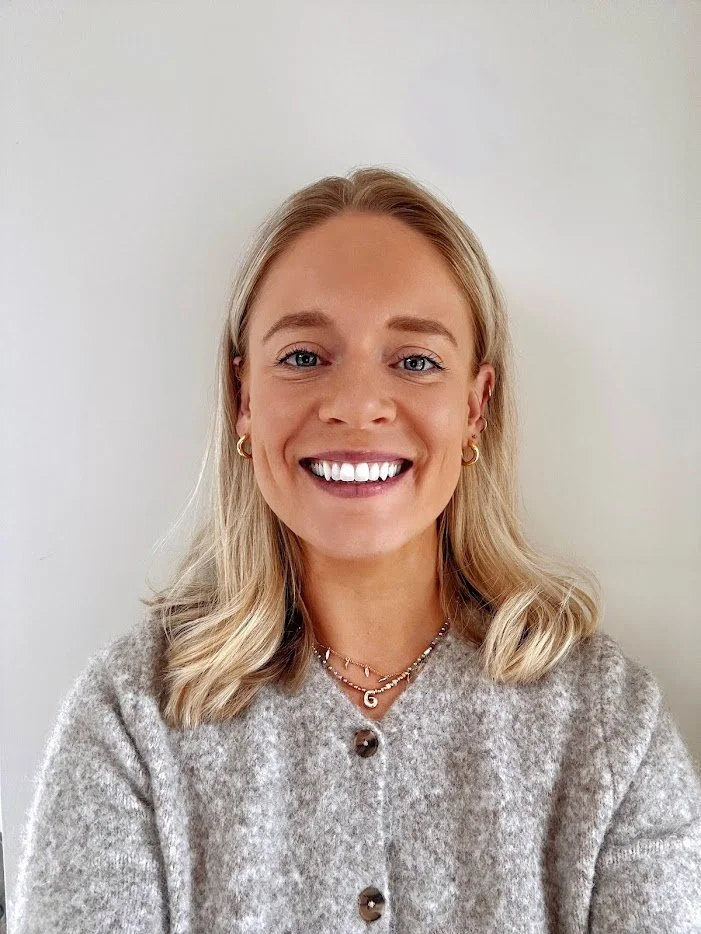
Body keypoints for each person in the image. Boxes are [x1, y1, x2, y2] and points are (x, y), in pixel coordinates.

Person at [12, 167, 701, 932]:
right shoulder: (132, 719)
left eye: (414, 361)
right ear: (243, 399)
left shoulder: (607, 726)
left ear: (474, 408)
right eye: (305, 357)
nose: (355, 406)